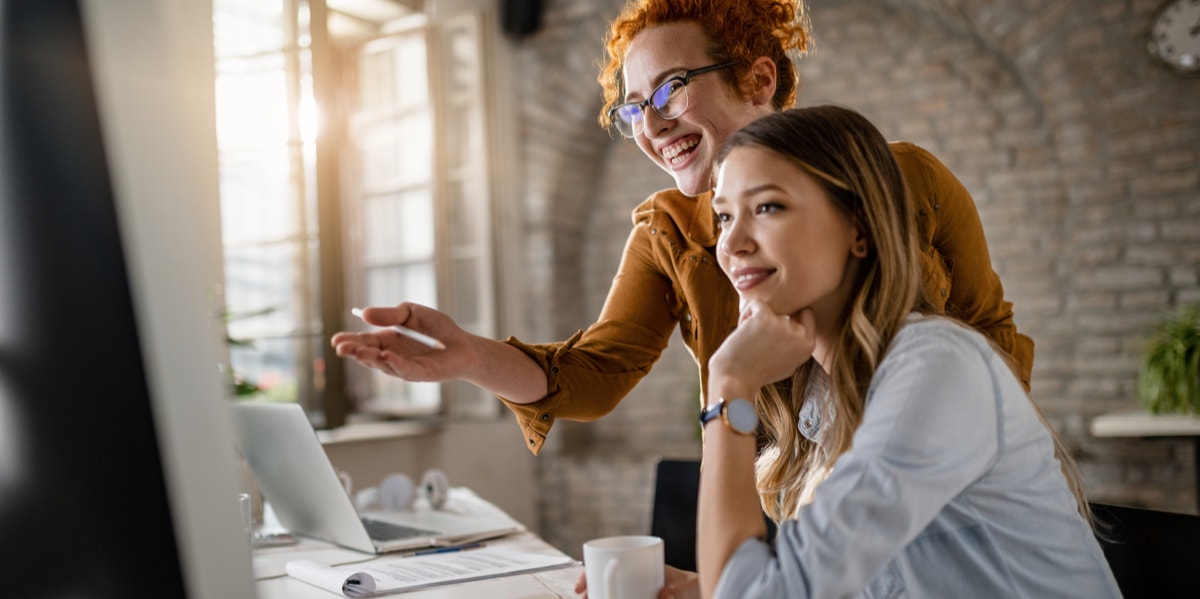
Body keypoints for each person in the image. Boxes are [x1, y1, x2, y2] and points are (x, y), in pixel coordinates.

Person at [331, 0, 1035, 459]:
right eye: (634, 108)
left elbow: (991, 337)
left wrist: (979, 463)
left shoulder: (905, 180)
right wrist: (466, 357)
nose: (654, 124)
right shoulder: (669, 231)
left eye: (670, 88)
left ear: (759, 80)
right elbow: (595, 374)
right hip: (773, 505)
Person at [695, 105, 1118, 598]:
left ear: (860, 228)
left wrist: (728, 384)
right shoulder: (822, 398)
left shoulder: (935, 366)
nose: (732, 243)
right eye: (724, 216)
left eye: (767, 207)